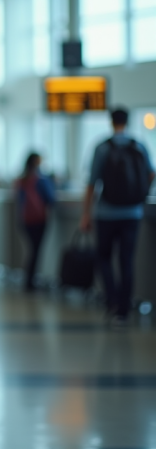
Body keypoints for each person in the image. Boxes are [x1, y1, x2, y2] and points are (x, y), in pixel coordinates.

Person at [81, 108, 155, 325]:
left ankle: (111, 301)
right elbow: (151, 173)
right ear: (128, 122)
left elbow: (92, 183)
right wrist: (140, 195)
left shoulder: (102, 147)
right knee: (127, 260)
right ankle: (124, 309)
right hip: (133, 213)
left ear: (111, 122)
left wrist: (86, 213)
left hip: (107, 213)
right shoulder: (139, 146)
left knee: (104, 257)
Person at [15, 152, 56, 292]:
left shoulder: (22, 180)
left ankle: (28, 280)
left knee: (32, 250)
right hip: (39, 219)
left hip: (25, 219)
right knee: (36, 251)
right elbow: (51, 199)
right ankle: (30, 282)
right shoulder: (41, 179)